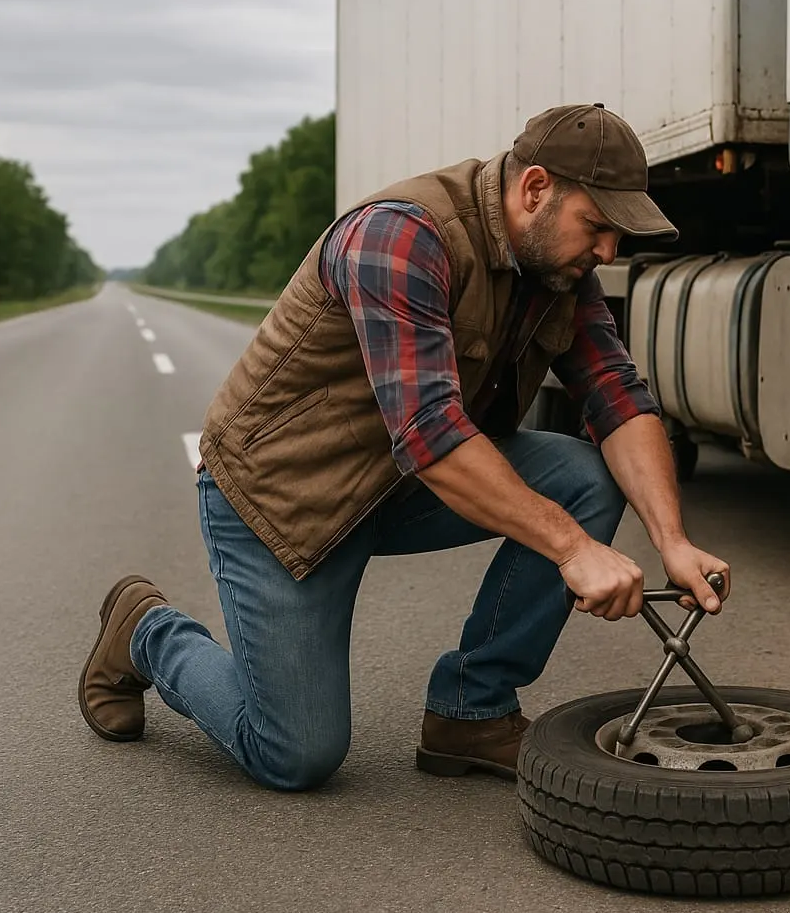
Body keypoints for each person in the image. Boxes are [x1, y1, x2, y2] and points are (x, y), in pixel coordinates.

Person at [78, 103, 730, 791]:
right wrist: (573, 549)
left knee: (585, 475)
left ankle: (471, 711)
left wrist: (673, 540)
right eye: (598, 227)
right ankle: (146, 632)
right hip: (282, 501)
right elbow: (429, 432)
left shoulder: (555, 270)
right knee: (295, 754)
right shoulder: (400, 236)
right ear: (536, 189)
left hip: (397, 483)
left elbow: (616, 395)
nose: (607, 252)